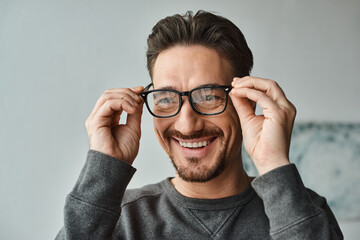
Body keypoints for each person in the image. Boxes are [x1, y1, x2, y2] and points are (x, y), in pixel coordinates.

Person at [56, 11, 343, 239]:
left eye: (208, 96)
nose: (187, 124)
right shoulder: (118, 219)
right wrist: (103, 169)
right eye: (166, 98)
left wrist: (274, 165)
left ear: (247, 101)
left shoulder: (303, 213)